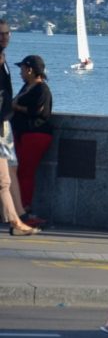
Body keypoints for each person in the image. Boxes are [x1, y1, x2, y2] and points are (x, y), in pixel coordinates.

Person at [0, 21, 39, 236]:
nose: (4, 37)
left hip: (5, 125)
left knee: (5, 179)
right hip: (1, 125)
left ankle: (16, 221)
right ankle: (16, 222)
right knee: (3, 179)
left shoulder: (3, 60)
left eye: (6, 34)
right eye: (0, 34)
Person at [11, 55, 53, 216]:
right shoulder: (26, 87)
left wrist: (16, 107)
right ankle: (17, 206)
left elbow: (39, 112)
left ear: (30, 70)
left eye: (22, 69)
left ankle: (25, 206)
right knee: (17, 171)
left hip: (36, 134)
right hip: (23, 132)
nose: (20, 73)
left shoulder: (42, 89)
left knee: (25, 171)